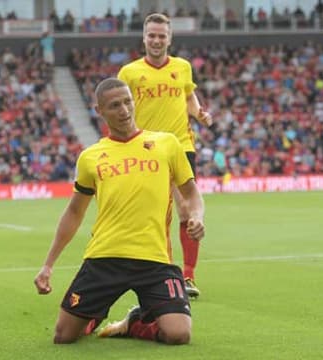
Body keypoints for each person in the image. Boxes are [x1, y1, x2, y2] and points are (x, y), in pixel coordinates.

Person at [34, 78, 205, 345]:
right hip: (105, 258)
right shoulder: (91, 157)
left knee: (179, 333)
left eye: (128, 102)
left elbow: (192, 193)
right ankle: (95, 312)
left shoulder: (166, 144)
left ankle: (134, 322)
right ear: (99, 110)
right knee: (64, 336)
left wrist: (196, 216)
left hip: (154, 259)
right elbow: (74, 212)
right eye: (115, 105)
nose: (124, 111)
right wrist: (48, 265)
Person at [117, 13, 212, 298]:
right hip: (145, 148)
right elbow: (118, 108)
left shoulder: (182, 68)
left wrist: (199, 113)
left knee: (185, 209)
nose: (157, 40)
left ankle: (188, 275)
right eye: (152, 35)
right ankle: (161, 272)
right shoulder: (129, 73)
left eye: (162, 36)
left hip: (180, 145)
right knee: (155, 213)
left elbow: (188, 96)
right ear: (144, 38)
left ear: (169, 39)